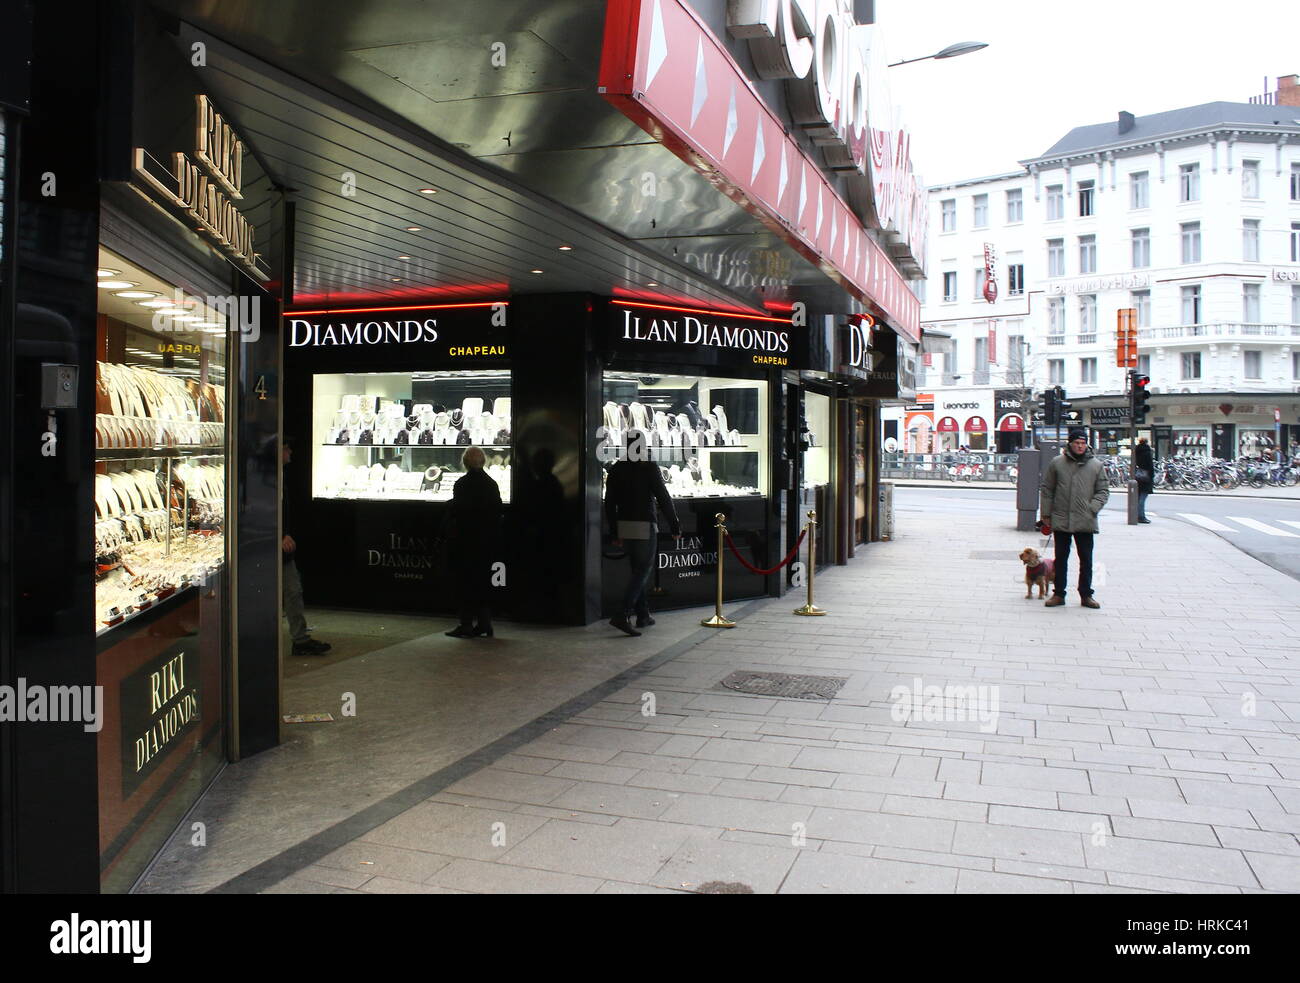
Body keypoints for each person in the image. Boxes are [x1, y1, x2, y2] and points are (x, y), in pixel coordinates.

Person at [604, 429, 681, 636]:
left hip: (625, 525)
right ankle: (623, 613)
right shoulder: (647, 467)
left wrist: (614, 531)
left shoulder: (617, 468)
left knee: (636, 569)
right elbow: (663, 497)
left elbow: (609, 504)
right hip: (644, 524)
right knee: (642, 571)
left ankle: (643, 614)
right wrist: (674, 525)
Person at [1040, 427, 1109, 609]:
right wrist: (1046, 515)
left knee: (1086, 559)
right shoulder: (1057, 463)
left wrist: (1092, 508)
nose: (1080, 446)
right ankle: (1059, 594)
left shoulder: (1096, 465)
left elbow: (1103, 491)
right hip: (1062, 518)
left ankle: (1086, 595)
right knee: (1060, 559)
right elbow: (1047, 489)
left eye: (1083, 443)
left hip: (1085, 520)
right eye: (1077, 443)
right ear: (1070, 444)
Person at [444, 446, 502, 638]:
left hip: (467, 541)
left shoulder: (462, 484)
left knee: (465, 582)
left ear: (465, 462)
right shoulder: (491, 483)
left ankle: (466, 624)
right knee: (483, 582)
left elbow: (459, 511)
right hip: (486, 542)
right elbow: (497, 510)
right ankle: (485, 623)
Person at [282, 440, 331, 655]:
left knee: (293, 591)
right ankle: (298, 639)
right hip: (268, 547)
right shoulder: (266, 479)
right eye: (286, 448)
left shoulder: (277, 476)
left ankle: (300, 639)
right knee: (291, 591)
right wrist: (279, 535)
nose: (290, 451)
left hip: (280, 548)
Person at [1134, 437, 1154, 523]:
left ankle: (1137, 515)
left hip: (1138, 475)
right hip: (1146, 476)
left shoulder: (1137, 451)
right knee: (1143, 497)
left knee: (1138, 497)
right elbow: (1150, 465)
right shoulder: (1147, 452)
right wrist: (1152, 476)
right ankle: (1141, 516)